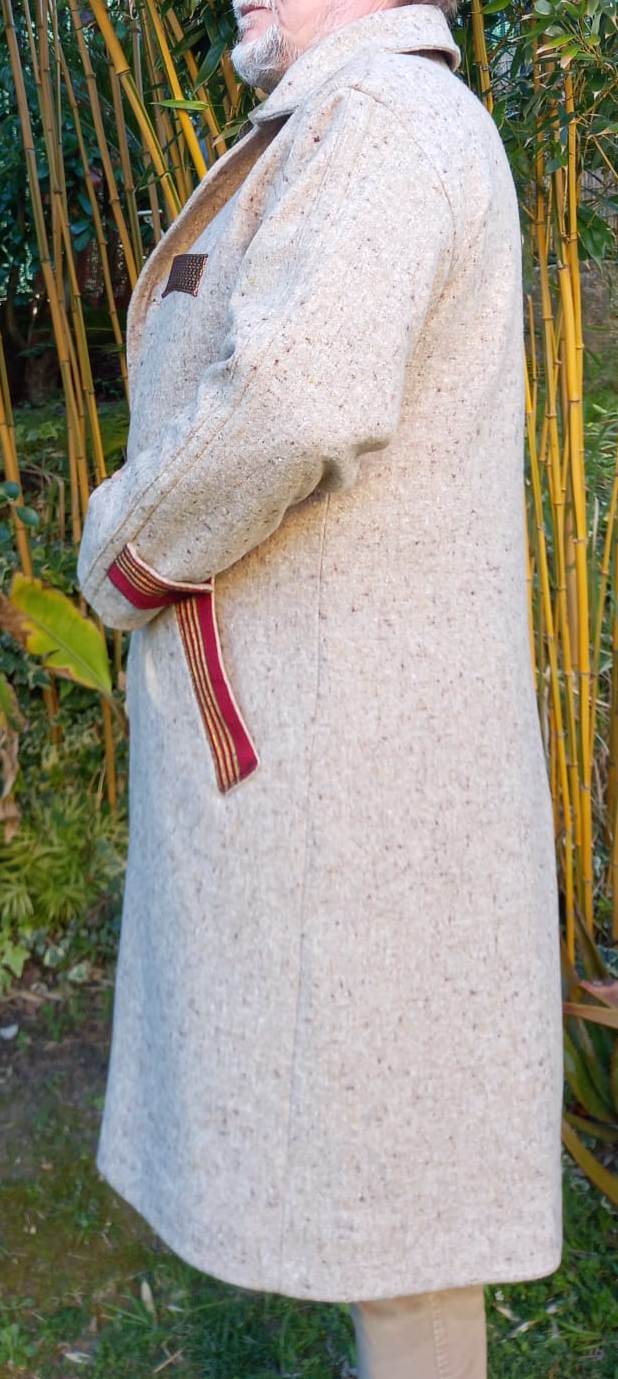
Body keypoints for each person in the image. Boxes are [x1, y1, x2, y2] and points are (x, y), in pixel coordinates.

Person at [76, 0, 564, 1375]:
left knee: (404, 1213)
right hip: (346, 751)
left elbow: (290, 398)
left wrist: (126, 552)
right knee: (391, 1193)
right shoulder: (360, 121)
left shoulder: (384, 124)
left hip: (358, 776)